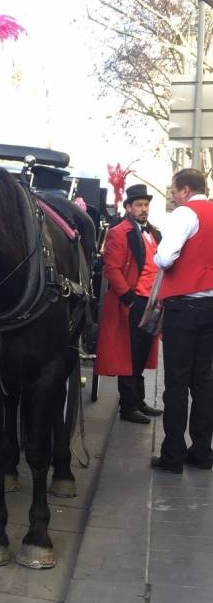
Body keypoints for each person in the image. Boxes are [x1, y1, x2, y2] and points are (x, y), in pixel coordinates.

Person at [151, 168, 213, 474]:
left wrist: (157, 257)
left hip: (184, 307)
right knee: (204, 381)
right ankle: (202, 451)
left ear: (186, 190)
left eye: (174, 191)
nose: (173, 196)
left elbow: (165, 258)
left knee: (176, 382)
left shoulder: (185, 214)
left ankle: (172, 455)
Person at [95, 183, 163, 423]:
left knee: (142, 352)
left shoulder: (154, 232)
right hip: (131, 303)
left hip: (152, 302)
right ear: (128, 207)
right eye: (139, 205)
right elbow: (111, 269)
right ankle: (128, 407)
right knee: (129, 354)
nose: (144, 209)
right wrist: (129, 299)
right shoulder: (119, 231)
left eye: (146, 205)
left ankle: (139, 401)